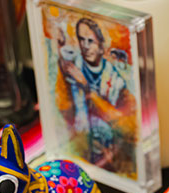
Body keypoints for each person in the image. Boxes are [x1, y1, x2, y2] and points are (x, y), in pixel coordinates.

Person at [56, 18, 137, 174]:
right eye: (81, 39)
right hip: (83, 155)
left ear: (101, 46)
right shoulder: (73, 69)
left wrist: (88, 91)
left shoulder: (116, 80)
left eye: (90, 41)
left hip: (114, 155)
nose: (85, 46)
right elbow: (64, 110)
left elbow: (124, 124)